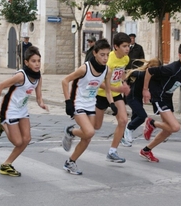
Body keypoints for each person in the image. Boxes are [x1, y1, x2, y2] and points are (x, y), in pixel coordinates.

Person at [0, 46, 48, 177]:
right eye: (33, 61)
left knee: (27, 139)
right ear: (26, 62)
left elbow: (38, 97)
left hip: (22, 110)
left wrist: (42, 104)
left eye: (38, 60)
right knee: (18, 142)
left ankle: (6, 164)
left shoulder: (38, 77)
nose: (37, 64)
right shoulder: (21, 75)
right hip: (9, 109)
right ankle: (3, 124)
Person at [61, 39, 115, 175]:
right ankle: (70, 131)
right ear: (95, 53)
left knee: (88, 137)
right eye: (102, 54)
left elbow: (108, 90)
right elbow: (65, 80)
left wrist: (112, 104)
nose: (105, 58)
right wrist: (68, 101)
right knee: (89, 132)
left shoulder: (107, 70)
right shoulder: (85, 68)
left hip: (91, 104)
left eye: (107, 55)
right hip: (77, 103)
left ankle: (70, 162)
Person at [94, 32, 130, 163]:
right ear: (116, 46)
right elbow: (101, 82)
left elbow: (121, 73)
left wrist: (124, 83)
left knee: (123, 120)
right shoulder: (108, 60)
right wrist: (118, 88)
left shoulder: (125, 58)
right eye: (125, 46)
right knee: (96, 126)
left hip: (115, 94)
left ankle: (112, 151)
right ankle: (72, 131)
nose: (127, 49)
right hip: (101, 94)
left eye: (129, 46)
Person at [123, 58, 162, 144]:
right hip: (131, 97)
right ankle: (128, 129)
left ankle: (123, 136)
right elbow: (127, 79)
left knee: (135, 117)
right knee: (142, 116)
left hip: (138, 98)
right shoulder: (140, 74)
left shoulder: (148, 76)